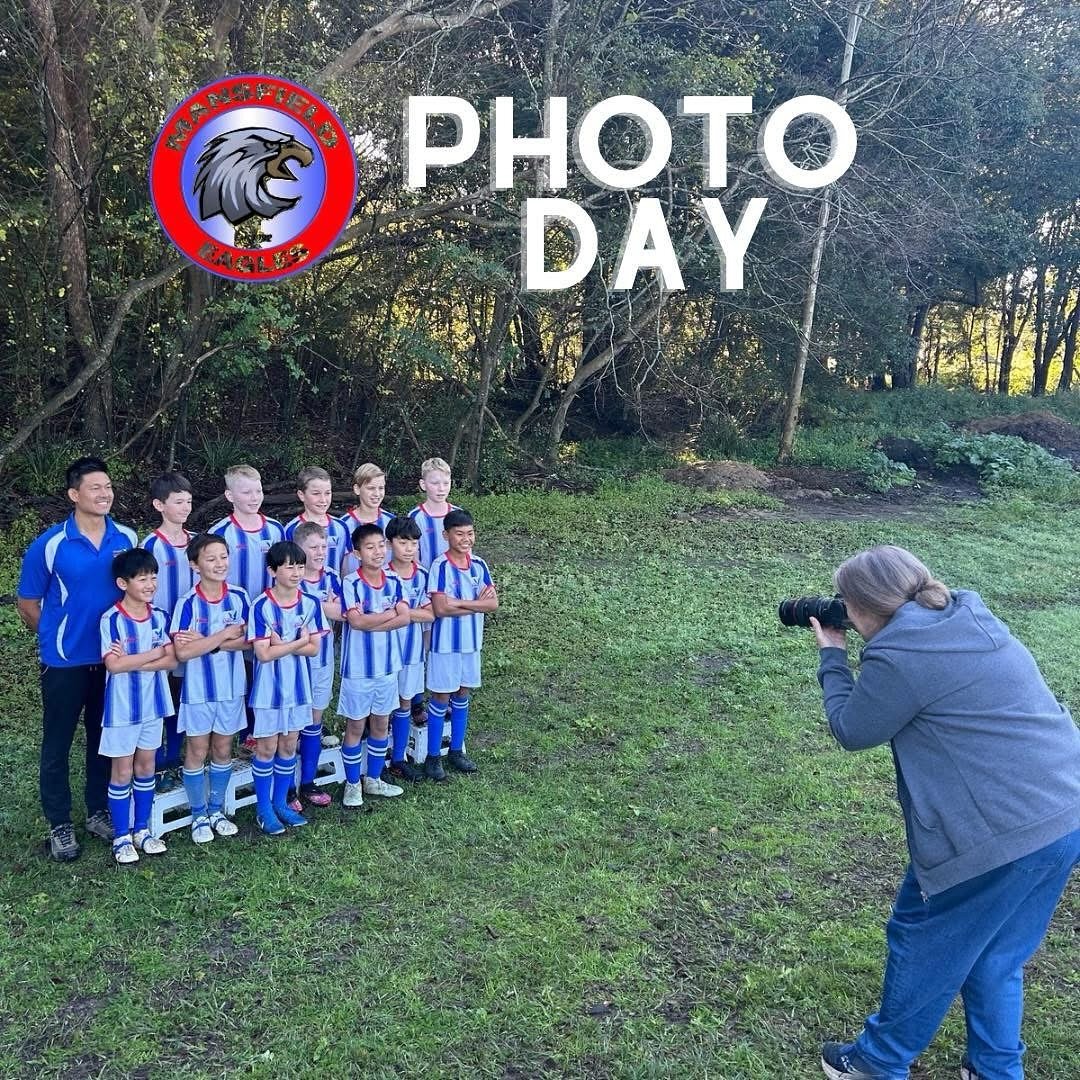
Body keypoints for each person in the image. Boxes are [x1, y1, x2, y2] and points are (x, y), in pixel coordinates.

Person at [809, 545, 1080, 1080]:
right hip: (1066, 810)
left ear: (862, 605)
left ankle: (877, 1063)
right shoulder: (969, 616)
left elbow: (852, 729)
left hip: (996, 834)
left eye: (844, 602)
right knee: (997, 955)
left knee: (923, 935)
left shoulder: (900, 654)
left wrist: (832, 655)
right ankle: (995, 1070)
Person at [17, 456, 138, 861]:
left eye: (108, 486)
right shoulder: (51, 544)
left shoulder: (126, 536)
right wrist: (55, 639)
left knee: (104, 738)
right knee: (58, 742)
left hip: (112, 660)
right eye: (95, 488)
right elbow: (28, 603)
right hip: (65, 662)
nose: (105, 494)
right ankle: (59, 823)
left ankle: (98, 810)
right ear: (74, 494)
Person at [99, 548, 178, 864]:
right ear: (123, 583)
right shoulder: (112, 619)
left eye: (153, 577)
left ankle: (142, 830)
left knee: (146, 766)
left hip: (153, 704)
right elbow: (114, 666)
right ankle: (121, 836)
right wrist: (154, 654)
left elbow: (171, 661)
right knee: (122, 770)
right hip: (122, 708)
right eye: (142, 578)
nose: (150, 584)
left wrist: (133, 660)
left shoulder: (159, 616)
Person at [170, 533, 250, 843]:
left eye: (224, 557)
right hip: (198, 690)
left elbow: (250, 642)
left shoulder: (240, 596)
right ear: (195, 565)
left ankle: (216, 810)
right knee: (197, 749)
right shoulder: (187, 603)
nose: (219, 564)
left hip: (231, 688)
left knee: (222, 748)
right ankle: (198, 815)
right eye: (211, 558)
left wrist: (207, 642)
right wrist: (225, 635)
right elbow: (183, 652)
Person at [246, 540, 327, 835]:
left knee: (289, 744)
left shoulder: (311, 603)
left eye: (300, 567)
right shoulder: (261, 605)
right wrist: (298, 642)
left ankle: (281, 803)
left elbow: (314, 649)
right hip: (269, 690)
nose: (296, 573)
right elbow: (263, 654)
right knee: (267, 747)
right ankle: (264, 809)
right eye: (289, 567)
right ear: (272, 571)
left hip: (299, 687)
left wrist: (283, 644)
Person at [210, 464, 285, 750]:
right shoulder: (221, 532)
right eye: (246, 492)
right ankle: (238, 732)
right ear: (230, 495)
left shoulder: (275, 529)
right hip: (234, 618)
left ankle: (263, 728)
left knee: (264, 671)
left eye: (258, 491)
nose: (254, 498)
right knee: (239, 672)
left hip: (269, 616)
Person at [338, 523, 410, 804]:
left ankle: (374, 779)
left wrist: (372, 621)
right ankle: (352, 783)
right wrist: (388, 615)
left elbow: (405, 618)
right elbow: (355, 622)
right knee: (355, 726)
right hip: (358, 670)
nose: (378, 551)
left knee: (381, 723)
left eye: (381, 545)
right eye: (370, 547)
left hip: (387, 667)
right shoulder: (351, 582)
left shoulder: (394, 580)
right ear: (357, 553)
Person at [424, 508, 498, 781]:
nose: (466, 539)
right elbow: (441, 608)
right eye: (459, 534)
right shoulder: (440, 566)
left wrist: (460, 602)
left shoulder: (479, 564)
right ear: (446, 535)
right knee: (441, 696)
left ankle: (456, 751)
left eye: (470, 533)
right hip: (445, 644)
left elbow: (492, 603)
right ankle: (433, 757)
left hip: (471, 643)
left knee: (463, 693)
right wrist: (475, 604)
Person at [141, 471, 196, 793]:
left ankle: (176, 757)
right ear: (159, 505)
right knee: (163, 699)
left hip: (193, 638)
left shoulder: (198, 542)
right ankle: (158, 762)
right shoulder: (150, 546)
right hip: (161, 639)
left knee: (185, 698)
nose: (185, 507)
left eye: (188, 501)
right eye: (178, 502)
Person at [294, 521, 345, 807]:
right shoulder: (290, 577)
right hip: (294, 664)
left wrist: (312, 604)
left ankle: (308, 782)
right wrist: (325, 606)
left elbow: (344, 612)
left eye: (323, 546)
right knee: (291, 726)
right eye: (313, 547)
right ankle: (286, 788)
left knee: (314, 722)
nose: (320, 552)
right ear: (299, 549)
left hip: (323, 660)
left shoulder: (332, 576)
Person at [384, 515, 433, 784]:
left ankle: (399, 758)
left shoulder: (422, 575)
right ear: (390, 543)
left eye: (414, 543)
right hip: (383, 653)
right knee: (380, 708)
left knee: (404, 703)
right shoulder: (381, 575)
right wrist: (411, 613)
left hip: (411, 652)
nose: (409, 548)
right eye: (403, 542)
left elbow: (431, 614)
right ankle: (376, 757)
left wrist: (400, 613)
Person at [284, 465, 350, 575]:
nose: (323, 500)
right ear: (301, 495)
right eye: (316, 494)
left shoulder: (341, 527)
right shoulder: (291, 529)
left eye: (327, 493)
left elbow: (346, 565)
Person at [338, 463, 394, 578]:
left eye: (381, 488)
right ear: (357, 489)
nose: (377, 494)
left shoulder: (391, 521)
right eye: (371, 488)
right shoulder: (343, 525)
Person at [408, 456, 458, 570]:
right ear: (423, 484)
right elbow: (412, 556)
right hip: (426, 578)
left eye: (446, 483)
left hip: (454, 578)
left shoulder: (458, 514)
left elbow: (466, 551)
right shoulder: (414, 517)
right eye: (435, 483)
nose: (441, 488)